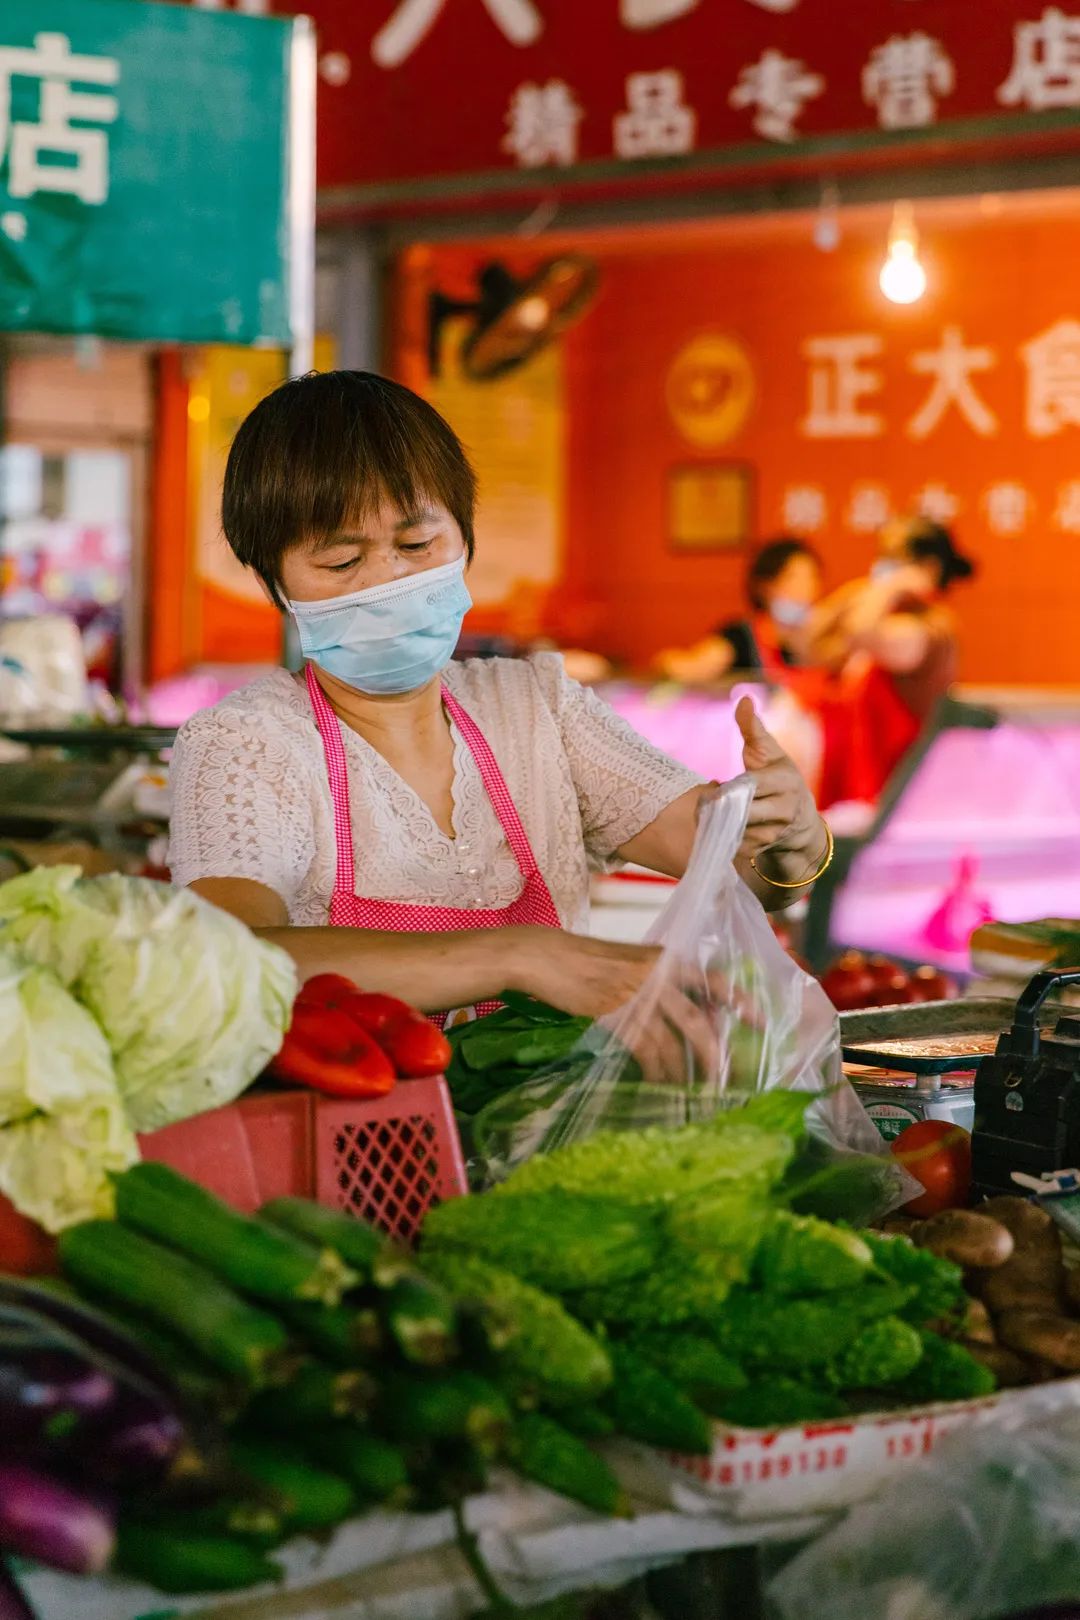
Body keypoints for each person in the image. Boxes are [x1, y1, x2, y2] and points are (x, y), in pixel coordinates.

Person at [167, 371, 829, 1023]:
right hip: (357, 1125)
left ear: (464, 538)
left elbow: (742, 865)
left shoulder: (537, 707)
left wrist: (792, 838)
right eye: (342, 562)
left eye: (418, 544)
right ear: (274, 581)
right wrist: (518, 957)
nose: (389, 579)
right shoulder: (246, 744)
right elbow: (233, 957)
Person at [809, 517, 977, 806]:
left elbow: (858, 631)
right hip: (859, 799)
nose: (882, 566)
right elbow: (809, 640)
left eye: (894, 558)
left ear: (927, 568)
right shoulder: (885, 617)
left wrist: (888, 587)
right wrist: (864, 589)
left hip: (900, 804)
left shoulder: (929, 628)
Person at [655, 539, 824, 686]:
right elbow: (694, 666)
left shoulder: (819, 638)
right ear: (765, 586)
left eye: (811, 577)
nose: (806, 588)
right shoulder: (741, 637)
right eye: (793, 577)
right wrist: (672, 664)